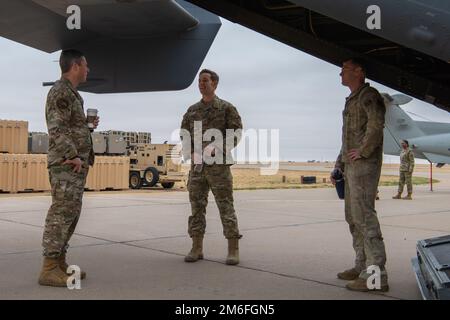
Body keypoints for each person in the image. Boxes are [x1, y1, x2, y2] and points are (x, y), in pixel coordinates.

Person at [38, 49, 99, 287]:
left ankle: (60, 262)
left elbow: (69, 126)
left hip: (74, 166)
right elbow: (56, 129)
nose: (88, 69)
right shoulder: (60, 92)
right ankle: (48, 268)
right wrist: (73, 155)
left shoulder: (72, 95)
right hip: (66, 165)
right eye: (86, 65)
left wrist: (86, 126)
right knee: (61, 214)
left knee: (70, 214)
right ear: (75, 66)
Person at [330, 58, 389, 292]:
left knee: (365, 218)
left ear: (359, 72)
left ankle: (377, 276)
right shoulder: (352, 99)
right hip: (351, 166)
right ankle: (362, 265)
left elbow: (376, 126)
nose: (340, 74)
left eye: (344, 69)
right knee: (353, 218)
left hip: (364, 166)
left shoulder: (369, 96)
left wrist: (363, 151)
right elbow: (348, 138)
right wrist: (339, 165)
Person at [180, 69, 243, 265]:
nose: (201, 84)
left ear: (214, 83)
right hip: (198, 168)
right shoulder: (192, 111)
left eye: (205, 80)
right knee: (197, 207)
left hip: (219, 168)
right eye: (199, 81)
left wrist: (219, 148)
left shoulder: (226, 108)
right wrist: (189, 151)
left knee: (226, 207)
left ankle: (233, 249)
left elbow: (236, 133)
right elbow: (184, 133)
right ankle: (196, 247)